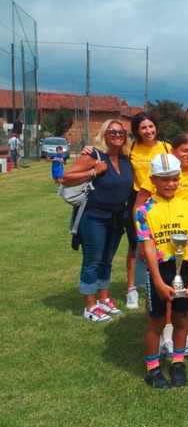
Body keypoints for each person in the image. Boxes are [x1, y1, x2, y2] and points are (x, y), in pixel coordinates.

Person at [137, 154, 188, 388]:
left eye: (175, 179)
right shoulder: (144, 211)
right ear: (153, 180)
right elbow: (148, 248)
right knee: (156, 322)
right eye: (165, 180)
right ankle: (152, 369)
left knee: (181, 319)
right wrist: (157, 281)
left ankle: (177, 363)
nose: (171, 184)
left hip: (182, 269)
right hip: (160, 270)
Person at [62, 119, 134, 322]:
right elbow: (66, 177)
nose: (117, 135)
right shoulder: (93, 154)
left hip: (117, 216)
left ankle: (103, 299)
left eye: (121, 132)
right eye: (112, 132)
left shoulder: (125, 158)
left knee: (107, 261)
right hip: (94, 216)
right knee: (92, 261)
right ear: (104, 134)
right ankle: (90, 306)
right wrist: (93, 171)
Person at [125, 112, 172, 310]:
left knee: (161, 243)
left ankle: (159, 283)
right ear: (136, 131)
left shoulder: (166, 148)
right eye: (143, 128)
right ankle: (131, 289)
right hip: (138, 199)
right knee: (136, 246)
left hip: (162, 201)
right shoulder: (130, 148)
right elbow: (105, 150)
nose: (148, 131)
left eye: (151, 126)